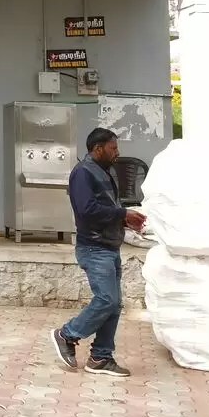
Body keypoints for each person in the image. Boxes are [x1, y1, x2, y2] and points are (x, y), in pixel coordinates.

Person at [51, 128, 145, 377]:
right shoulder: (83, 172)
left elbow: (104, 211)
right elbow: (86, 210)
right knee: (106, 300)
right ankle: (67, 334)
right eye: (113, 148)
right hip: (94, 247)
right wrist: (122, 214)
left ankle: (101, 357)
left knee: (114, 306)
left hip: (108, 245)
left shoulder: (102, 172)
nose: (118, 152)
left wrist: (125, 220)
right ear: (98, 148)